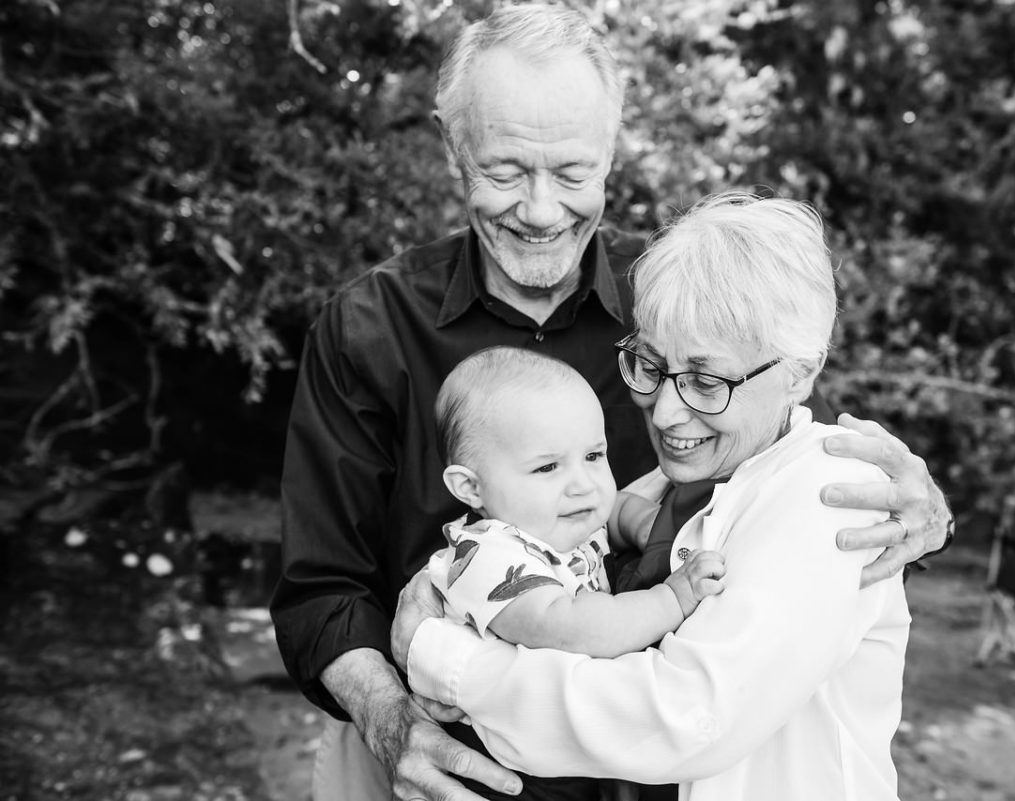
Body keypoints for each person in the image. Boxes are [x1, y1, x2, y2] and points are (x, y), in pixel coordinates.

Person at [270, 5, 953, 801]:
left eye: (571, 172)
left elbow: (777, 480)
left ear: (612, 148)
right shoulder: (366, 328)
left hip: (639, 770)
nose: (539, 210)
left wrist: (914, 513)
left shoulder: (678, 298)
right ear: (453, 147)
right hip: (425, 763)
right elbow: (320, 589)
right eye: (503, 172)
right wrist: (391, 720)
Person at [398, 192, 910, 800]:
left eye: (705, 379)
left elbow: (684, 716)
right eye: (651, 364)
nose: (665, 411)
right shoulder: (693, 481)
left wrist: (442, 658)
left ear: (799, 372)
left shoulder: (830, 491)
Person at [426, 346, 725, 800]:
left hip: (568, 744)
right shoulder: (488, 557)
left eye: (593, 456)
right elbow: (570, 626)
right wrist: (671, 598)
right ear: (470, 487)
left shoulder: (556, 515)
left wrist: (646, 525)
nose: (584, 483)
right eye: (548, 466)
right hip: (513, 770)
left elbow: (613, 508)